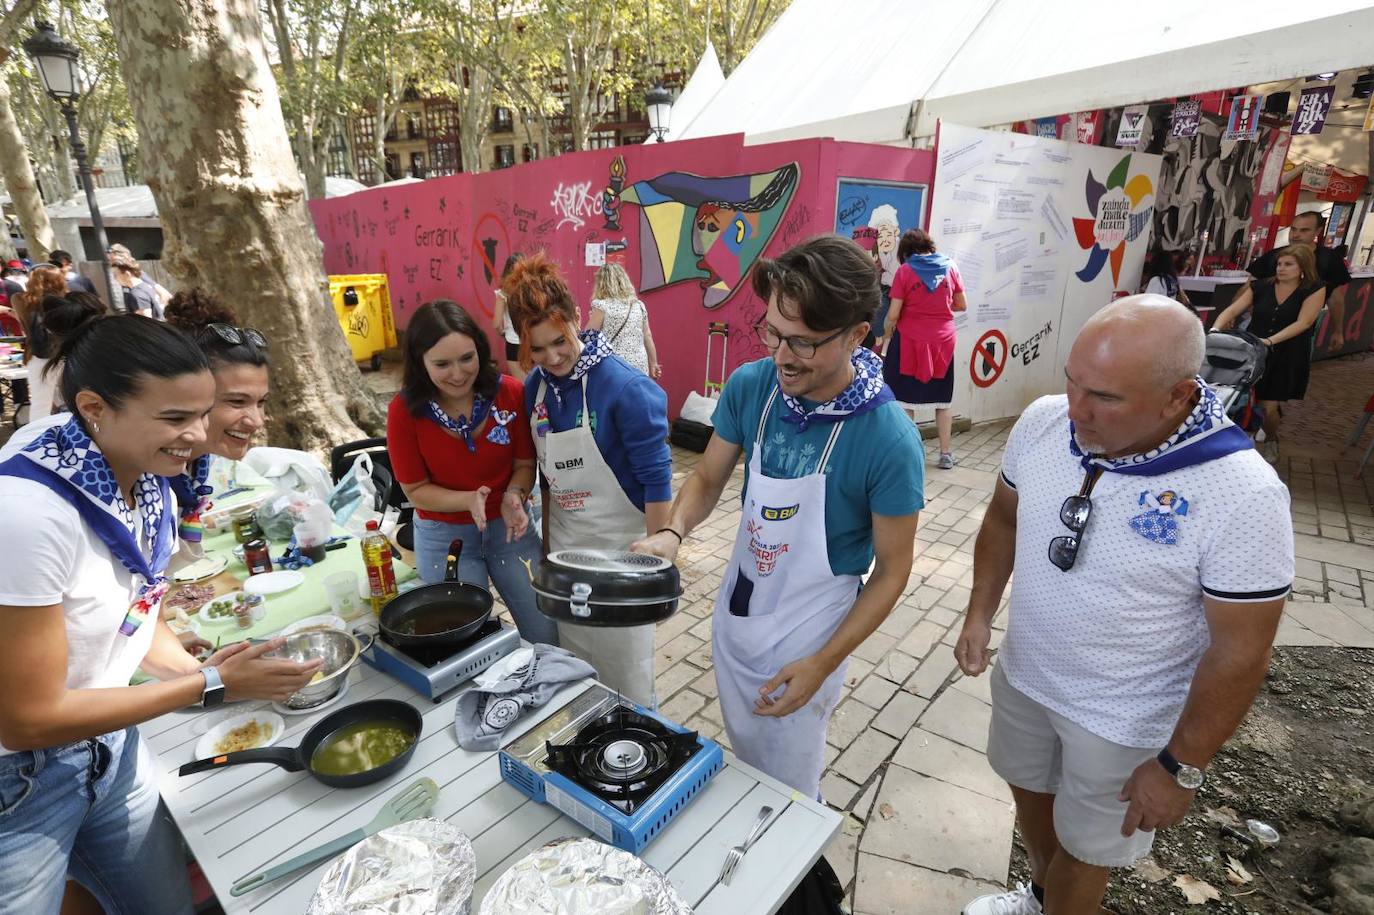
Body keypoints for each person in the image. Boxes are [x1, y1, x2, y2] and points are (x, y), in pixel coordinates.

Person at [955, 295, 1292, 915]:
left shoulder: (1242, 494)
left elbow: (1241, 651)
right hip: (1028, 674)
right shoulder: (1043, 422)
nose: (1075, 410)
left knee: (1089, 853)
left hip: (1121, 717)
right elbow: (1004, 519)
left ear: (1178, 397)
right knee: (1028, 791)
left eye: (1105, 398)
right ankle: (1038, 896)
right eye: (1072, 382)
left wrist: (1181, 766)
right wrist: (980, 613)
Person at [0, 315, 322, 914]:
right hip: (19, 782)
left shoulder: (146, 479)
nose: (199, 436)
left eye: (203, 413)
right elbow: (28, 720)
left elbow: (139, 616)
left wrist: (203, 679)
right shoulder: (27, 514)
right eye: (175, 418)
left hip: (110, 746)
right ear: (95, 406)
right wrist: (207, 684)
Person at [632, 235, 923, 798]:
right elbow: (709, 478)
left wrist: (822, 663)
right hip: (740, 612)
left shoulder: (889, 440)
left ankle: (799, 878)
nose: (782, 357)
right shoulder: (751, 387)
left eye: (805, 344)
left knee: (788, 789)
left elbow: (891, 572)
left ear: (857, 335)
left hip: (812, 632)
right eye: (773, 333)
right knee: (746, 763)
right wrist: (672, 531)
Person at [505, 254, 672, 705]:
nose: (551, 358)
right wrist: (544, 552)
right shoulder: (535, 389)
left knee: (628, 680)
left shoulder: (625, 389)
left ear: (579, 318)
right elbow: (545, 474)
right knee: (577, 670)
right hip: (567, 554)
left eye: (559, 341)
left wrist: (657, 570)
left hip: (622, 556)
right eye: (536, 349)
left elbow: (657, 483)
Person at [387, 300, 556, 645]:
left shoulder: (510, 392)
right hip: (444, 537)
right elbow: (415, 489)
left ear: (481, 350)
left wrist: (514, 495)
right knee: (462, 641)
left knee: (546, 631)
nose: (458, 373)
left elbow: (525, 465)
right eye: (442, 364)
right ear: (420, 364)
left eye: (467, 358)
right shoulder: (405, 412)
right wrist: (467, 500)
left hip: (510, 528)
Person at [163, 289, 273, 554]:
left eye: (261, 402)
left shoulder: (194, 466)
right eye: (237, 402)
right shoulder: (144, 475)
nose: (256, 421)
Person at [1211, 244, 1325, 463]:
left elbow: (1305, 321)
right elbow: (1234, 309)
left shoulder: (1313, 289)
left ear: (1302, 267)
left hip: (1286, 353)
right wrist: (1216, 329)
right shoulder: (1260, 287)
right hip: (1254, 352)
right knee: (1241, 399)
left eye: (1288, 264)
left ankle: (1271, 437)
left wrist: (1270, 341)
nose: (1281, 268)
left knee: (1268, 407)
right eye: (1280, 264)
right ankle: (1243, 446)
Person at [880, 228, 966, 469]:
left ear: (906, 252)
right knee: (943, 400)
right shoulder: (951, 267)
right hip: (943, 342)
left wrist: (890, 331)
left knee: (907, 400)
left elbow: (894, 314)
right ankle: (946, 454)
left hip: (911, 341)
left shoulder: (905, 271)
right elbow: (961, 304)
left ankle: (911, 453)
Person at [1248, 211, 1349, 350]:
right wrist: (1236, 314)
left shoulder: (1329, 259)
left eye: (1304, 230)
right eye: (1293, 229)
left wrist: (1338, 330)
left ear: (1317, 231)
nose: (1296, 235)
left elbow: (1336, 298)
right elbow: (1249, 288)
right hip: (1260, 327)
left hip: (1300, 332)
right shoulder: (1273, 256)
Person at [12, 264, 68, 420]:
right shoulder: (61, 301)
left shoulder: (22, 301)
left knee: (41, 402)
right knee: (67, 398)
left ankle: (38, 439)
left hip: (38, 356)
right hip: (59, 354)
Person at [587, 262, 661, 377]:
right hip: (639, 365)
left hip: (615, 366)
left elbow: (588, 337)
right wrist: (653, 363)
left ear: (602, 284)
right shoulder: (638, 305)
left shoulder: (601, 306)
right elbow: (647, 336)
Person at [491, 254, 526, 380]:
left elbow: (496, 324)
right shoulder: (532, 291)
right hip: (531, 342)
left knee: (520, 384)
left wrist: (503, 333)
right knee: (533, 382)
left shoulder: (503, 294)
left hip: (513, 341)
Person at [110, 252, 163, 319]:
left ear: (127, 274)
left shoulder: (137, 294)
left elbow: (145, 322)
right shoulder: (146, 286)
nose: (115, 278)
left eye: (116, 275)